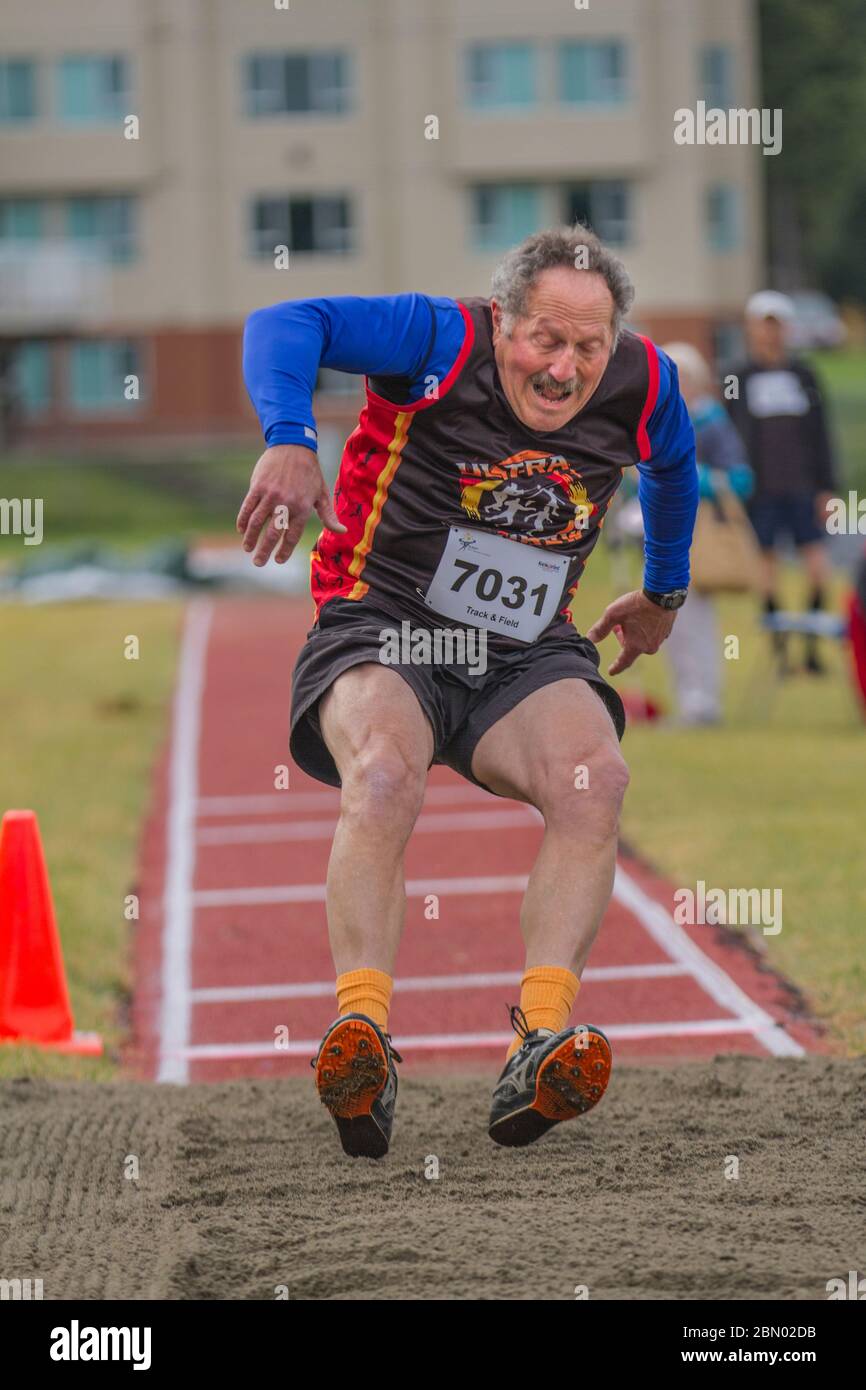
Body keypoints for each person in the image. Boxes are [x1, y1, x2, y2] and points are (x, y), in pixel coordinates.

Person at [239, 225, 698, 1158]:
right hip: (387, 619)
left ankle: (541, 1038)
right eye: (545, 339)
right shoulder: (437, 341)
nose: (565, 369)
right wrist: (289, 439)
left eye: (587, 347)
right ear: (504, 322)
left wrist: (662, 590)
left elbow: (675, 469)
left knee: (596, 782)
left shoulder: (645, 383)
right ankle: (362, 1034)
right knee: (382, 775)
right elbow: (285, 319)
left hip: (524, 650)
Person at [726, 291, 838, 674]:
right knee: (767, 571)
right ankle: (779, 653)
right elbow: (727, 429)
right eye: (763, 325)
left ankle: (811, 648)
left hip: (803, 489)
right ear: (752, 329)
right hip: (761, 492)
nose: (770, 334)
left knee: (819, 568)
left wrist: (827, 487)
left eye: (777, 326)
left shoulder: (805, 377)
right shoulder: (736, 377)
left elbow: (823, 433)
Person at [661, 342, 753, 724]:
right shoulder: (663, 425)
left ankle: (702, 702)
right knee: (671, 622)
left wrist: (695, 479)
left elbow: (742, 480)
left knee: (692, 620)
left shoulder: (712, 424)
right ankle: (689, 698)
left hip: (700, 537)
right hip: (664, 536)